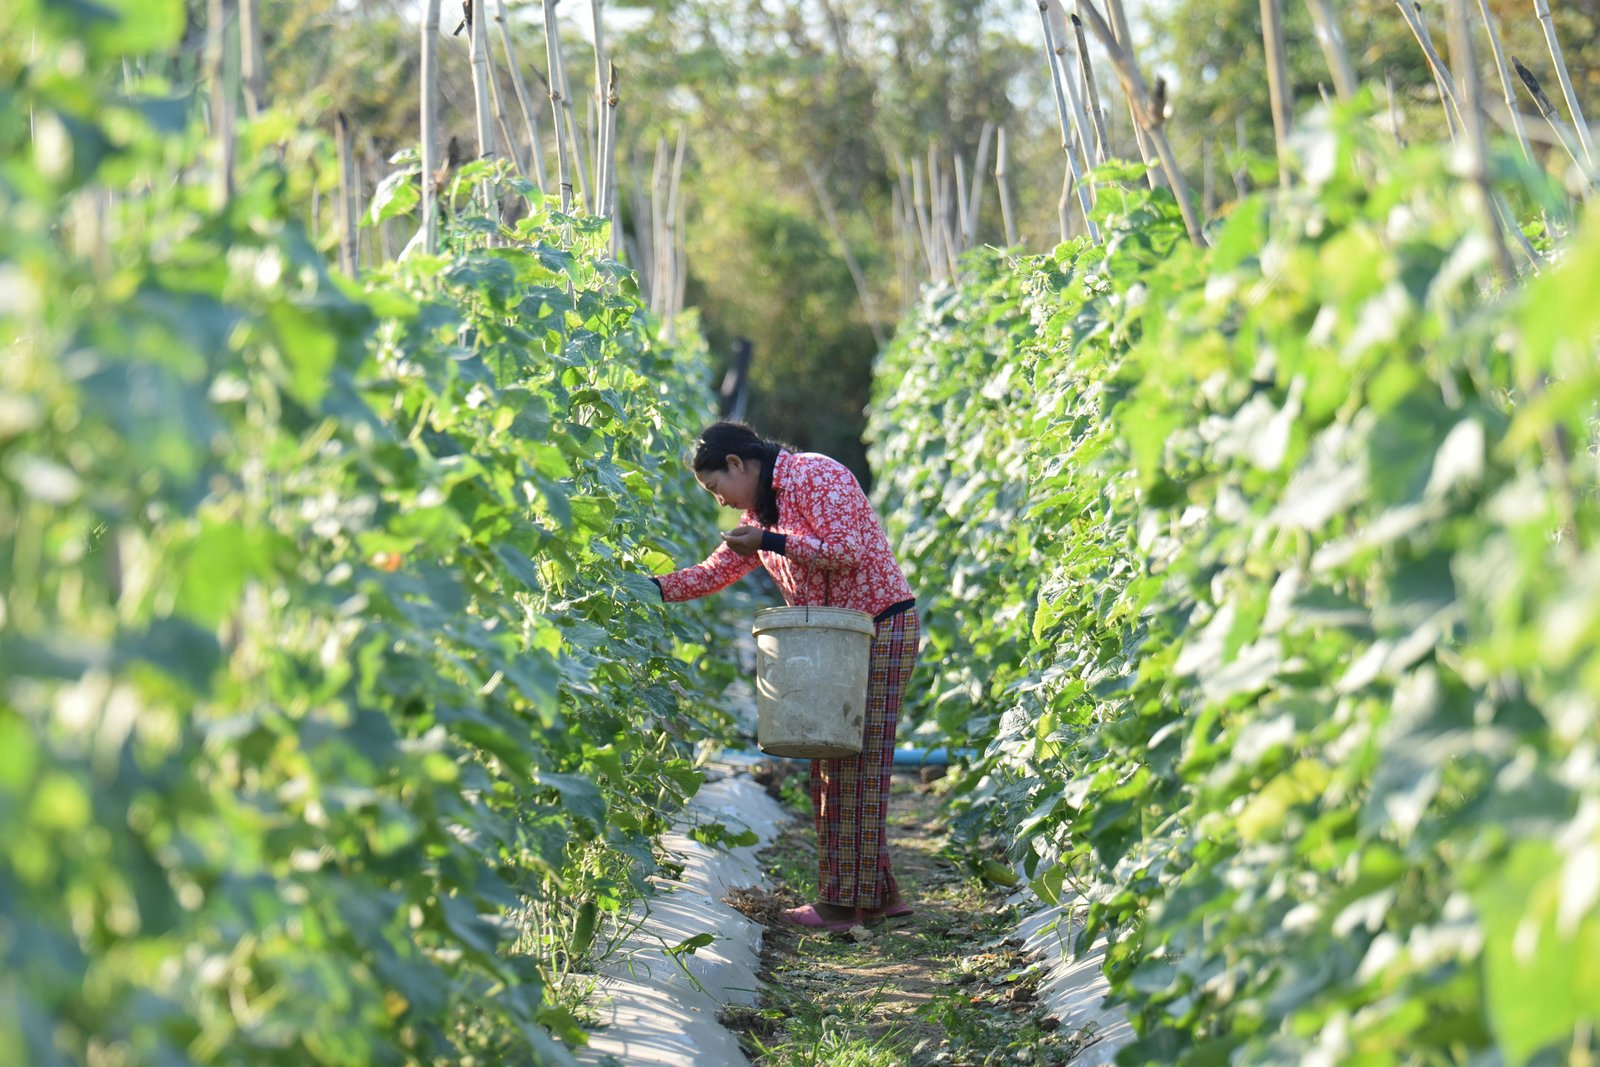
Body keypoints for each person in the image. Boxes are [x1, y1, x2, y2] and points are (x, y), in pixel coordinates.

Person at [649, 422, 920, 932]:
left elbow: (848, 551)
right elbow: (712, 572)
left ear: (738, 464)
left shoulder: (816, 476)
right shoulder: (758, 516)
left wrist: (772, 540)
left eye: (716, 488)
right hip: (832, 643)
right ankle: (882, 897)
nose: (722, 502)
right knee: (833, 761)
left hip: (878, 629)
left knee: (853, 764)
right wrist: (650, 589)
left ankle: (840, 907)